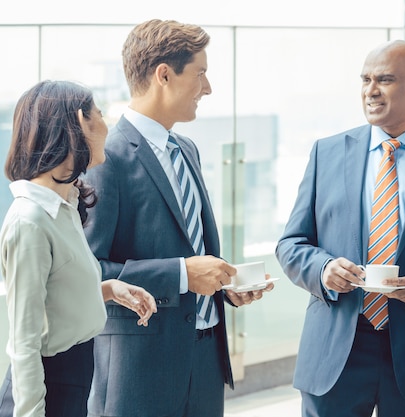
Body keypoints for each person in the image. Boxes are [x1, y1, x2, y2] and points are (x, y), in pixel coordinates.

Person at [275, 40, 405, 417]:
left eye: (385, 80)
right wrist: (323, 270)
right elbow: (292, 243)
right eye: (365, 79)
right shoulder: (327, 152)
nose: (371, 91)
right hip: (335, 349)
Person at [82, 19, 273, 417]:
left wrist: (222, 284)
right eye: (201, 74)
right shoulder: (107, 159)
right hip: (138, 374)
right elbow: (89, 272)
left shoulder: (187, 150)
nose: (208, 88)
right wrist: (183, 274)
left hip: (203, 363)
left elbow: (188, 252)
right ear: (164, 75)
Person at [0, 80, 157, 417]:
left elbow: (54, 303)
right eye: (99, 114)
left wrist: (109, 289)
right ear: (78, 122)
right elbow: (25, 341)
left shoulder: (64, 205)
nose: (106, 124)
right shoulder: (29, 220)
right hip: (47, 387)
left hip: (73, 376)